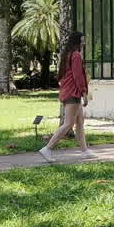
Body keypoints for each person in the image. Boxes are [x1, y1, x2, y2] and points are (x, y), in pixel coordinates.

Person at [39, 31, 94, 161]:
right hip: (73, 93)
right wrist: (84, 93)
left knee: (80, 121)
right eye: (82, 40)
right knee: (68, 123)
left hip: (67, 91)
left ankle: (85, 151)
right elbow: (78, 76)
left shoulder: (68, 55)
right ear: (77, 42)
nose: (84, 42)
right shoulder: (75, 55)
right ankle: (47, 149)